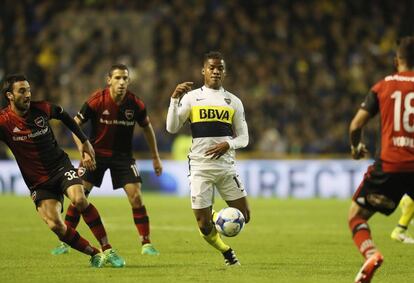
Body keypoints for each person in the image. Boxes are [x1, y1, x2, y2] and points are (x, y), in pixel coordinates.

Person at [0, 74, 124, 268]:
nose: (28, 95)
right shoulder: (3, 122)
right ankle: (95, 254)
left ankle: (108, 248)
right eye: (22, 91)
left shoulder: (41, 109)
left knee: (80, 199)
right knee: (55, 225)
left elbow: (64, 115)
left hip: (60, 166)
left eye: (29, 90)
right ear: (9, 95)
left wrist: (84, 141)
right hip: (38, 182)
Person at [51, 63, 162, 256]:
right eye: (117, 78)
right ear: (108, 80)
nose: (121, 82)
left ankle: (146, 243)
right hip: (95, 155)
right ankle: (66, 242)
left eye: (125, 78)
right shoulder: (97, 100)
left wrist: (155, 157)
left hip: (123, 157)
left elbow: (147, 128)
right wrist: (84, 151)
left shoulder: (136, 104)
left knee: (136, 196)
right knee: (79, 198)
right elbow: (74, 125)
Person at [166, 51, 250, 265]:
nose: (215, 71)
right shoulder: (192, 97)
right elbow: (172, 127)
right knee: (204, 225)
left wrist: (228, 144)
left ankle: (216, 216)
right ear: (203, 70)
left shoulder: (233, 101)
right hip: (200, 167)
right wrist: (174, 99)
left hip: (226, 167)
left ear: (225, 72)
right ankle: (227, 252)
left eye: (219, 68)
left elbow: (244, 138)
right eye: (211, 67)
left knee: (244, 216)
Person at [348, 36, 414, 283]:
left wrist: (356, 147)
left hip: (390, 165)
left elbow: (355, 125)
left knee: (356, 216)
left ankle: (372, 254)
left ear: (397, 61)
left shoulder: (383, 86)